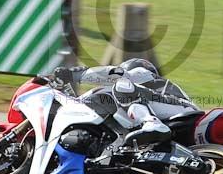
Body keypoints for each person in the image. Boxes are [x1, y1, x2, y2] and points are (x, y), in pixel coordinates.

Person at [51, 58, 199, 148]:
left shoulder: (141, 73)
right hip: (175, 121)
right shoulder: (140, 97)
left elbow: (118, 74)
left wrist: (75, 75)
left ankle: (151, 123)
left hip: (181, 111)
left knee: (121, 85)